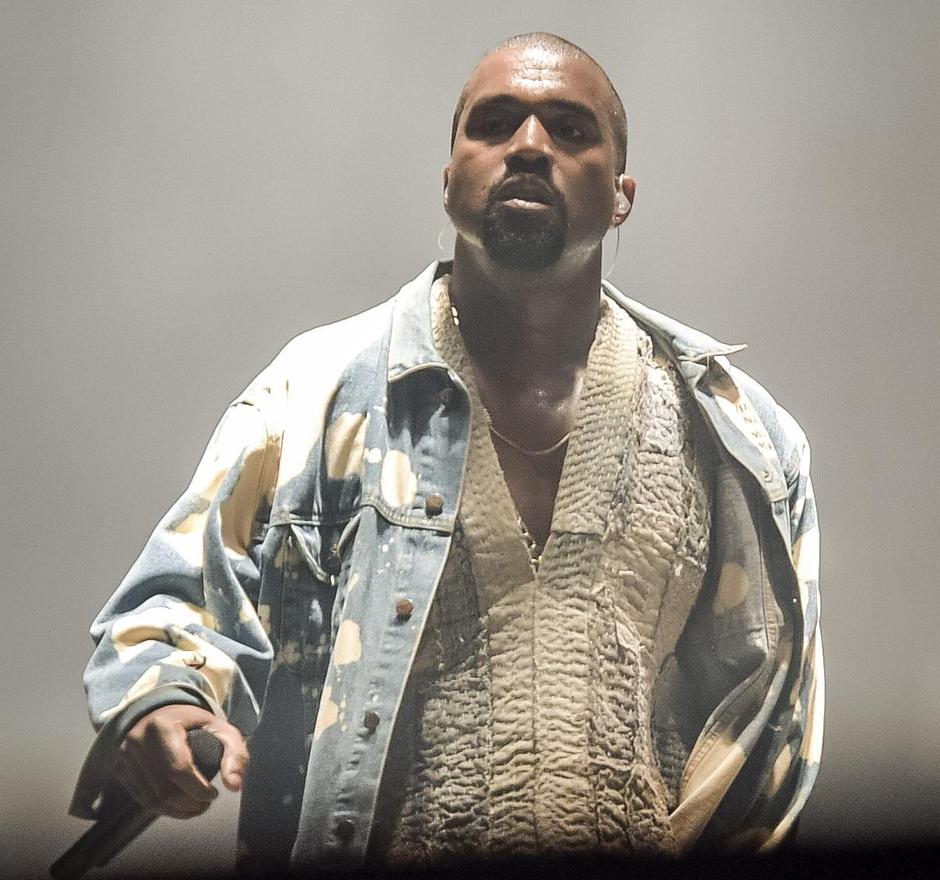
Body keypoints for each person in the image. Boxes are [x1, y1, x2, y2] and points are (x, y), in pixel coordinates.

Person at [70, 32, 823, 871]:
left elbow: (768, 727)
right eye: (494, 124)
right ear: (450, 177)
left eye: (570, 129)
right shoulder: (313, 394)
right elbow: (177, 602)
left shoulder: (736, 434)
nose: (528, 146)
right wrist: (163, 703)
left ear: (622, 196)